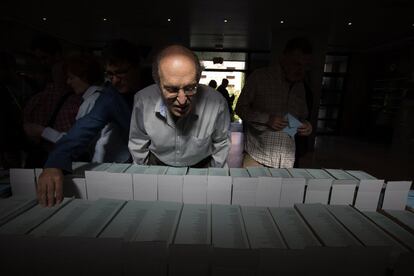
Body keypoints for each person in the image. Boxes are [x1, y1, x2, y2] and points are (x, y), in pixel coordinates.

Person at [37, 39, 142, 207]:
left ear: (137, 68)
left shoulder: (158, 86)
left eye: (121, 73)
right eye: (109, 74)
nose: (114, 81)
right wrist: (54, 163)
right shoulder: (110, 96)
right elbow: (83, 128)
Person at [129, 45, 230, 167]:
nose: (182, 101)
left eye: (190, 88)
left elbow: (221, 144)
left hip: (201, 165)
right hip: (156, 163)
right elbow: (138, 141)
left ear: (198, 80)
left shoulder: (217, 103)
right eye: (172, 89)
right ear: (158, 83)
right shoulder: (143, 101)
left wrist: (214, 177)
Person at [24, 53, 126, 163]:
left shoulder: (93, 101)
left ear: (85, 77)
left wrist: (42, 131)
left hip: (108, 164)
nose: (68, 82)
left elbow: (76, 140)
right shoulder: (99, 96)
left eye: (71, 78)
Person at [235, 36, 313, 168]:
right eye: (297, 64)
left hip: (287, 161)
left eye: (305, 66)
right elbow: (240, 108)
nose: (301, 70)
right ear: (284, 58)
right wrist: (267, 119)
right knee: (249, 189)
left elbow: (301, 117)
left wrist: (306, 126)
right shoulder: (259, 77)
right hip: (257, 158)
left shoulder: (301, 86)